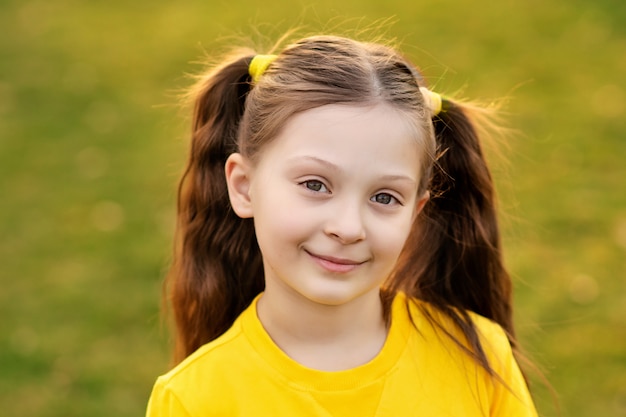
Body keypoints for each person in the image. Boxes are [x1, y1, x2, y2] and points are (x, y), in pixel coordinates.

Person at [146, 34, 538, 416]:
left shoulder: (479, 357)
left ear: (415, 212)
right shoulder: (191, 399)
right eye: (315, 185)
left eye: (384, 197)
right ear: (244, 186)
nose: (349, 228)